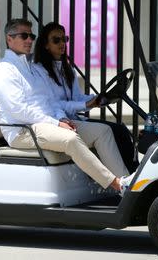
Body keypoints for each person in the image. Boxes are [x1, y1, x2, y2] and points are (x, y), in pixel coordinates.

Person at [0, 18, 131, 193]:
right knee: (70, 139)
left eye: (31, 36)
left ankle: (128, 187)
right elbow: (20, 111)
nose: (29, 40)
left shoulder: (31, 68)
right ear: (9, 39)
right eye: (24, 35)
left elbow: (49, 101)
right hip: (22, 130)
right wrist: (57, 123)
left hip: (43, 124)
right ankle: (115, 184)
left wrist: (61, 117)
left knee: (103, 131)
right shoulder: (4, 70)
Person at [33, 22, 138, 172]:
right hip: (59, 121)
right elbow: (55, 104)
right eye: (56, 40)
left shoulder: (67, 69)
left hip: (75, 118)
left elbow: (76, 97)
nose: (62, 43)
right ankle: (126, 181)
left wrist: (99, 98)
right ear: (45, 44)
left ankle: (133, 174)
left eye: (65, 39)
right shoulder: (40, 71)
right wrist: (87, 104)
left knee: (120, 129)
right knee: (112, 131)